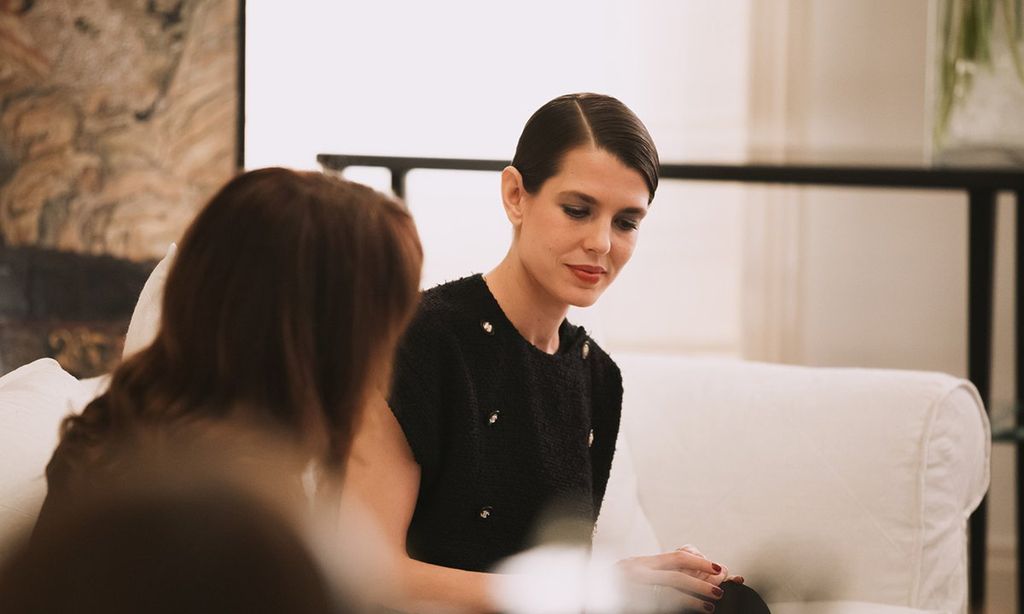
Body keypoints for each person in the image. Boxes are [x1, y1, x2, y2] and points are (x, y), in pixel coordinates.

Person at [345, 94, 769, 613]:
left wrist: (625, 580)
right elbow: (365, 570)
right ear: (515, 195)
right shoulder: (418, 339)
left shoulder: (596, 377)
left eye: (626, 223)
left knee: (731, 604)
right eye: (577, 210)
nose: (601, 243)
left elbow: (545, 573)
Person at [27, 168, 423, 598]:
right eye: (385, 326)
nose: (387, 354)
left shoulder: (108, 425)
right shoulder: (238, 516)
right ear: (328, 338)